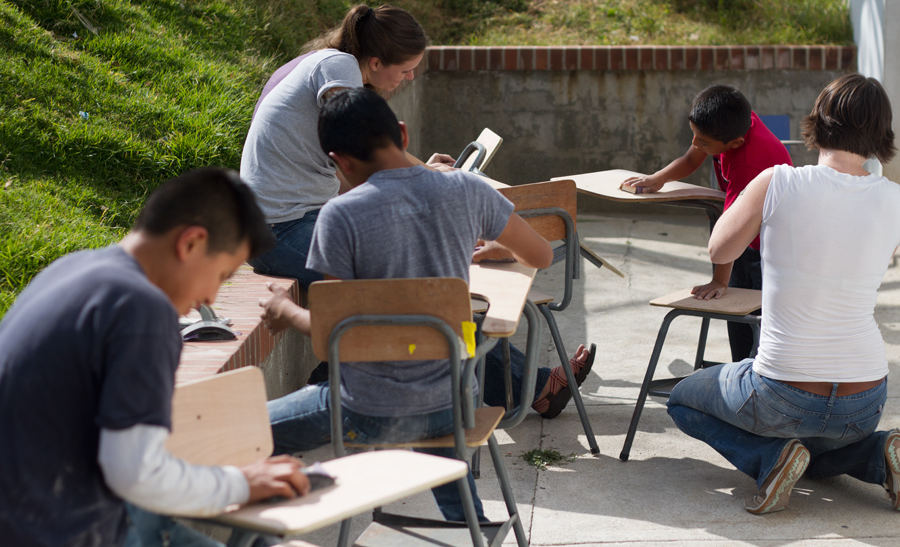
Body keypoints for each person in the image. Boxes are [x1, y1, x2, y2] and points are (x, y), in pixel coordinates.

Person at [258, 88, 593, 522]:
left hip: (369, 409)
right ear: (402, 134)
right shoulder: (467, 189)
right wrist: (498, 247)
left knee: (248, 433)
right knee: (449, 473)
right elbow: (542, 255)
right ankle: (470, 525)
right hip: (455, 399)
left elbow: (334, 331)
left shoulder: (339, 216)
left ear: (339, 162)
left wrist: (286, 311)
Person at [0, 168, 310, 547]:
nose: (211, 297)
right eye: (221, 275)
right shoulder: (142, 309)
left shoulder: (74, 268)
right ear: (191, 243)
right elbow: (135, 472)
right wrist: (241, 484)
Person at [666, 74, 900, 515]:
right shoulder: (894, 199)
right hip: (865, 400)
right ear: (880, 134)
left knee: (682, 398)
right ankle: (876, 452)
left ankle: (770, 458)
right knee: (815, 442)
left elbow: (720, 250)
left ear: (819, 120)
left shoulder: (779, 181)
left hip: (782, 391)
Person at [240, 3, 454, 289]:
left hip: (297, 220)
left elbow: (347, 173)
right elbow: (365, 141)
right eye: (406, 70)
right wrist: (429, 175)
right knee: (399, 275)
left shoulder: (326, 64)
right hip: (278, 231)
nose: (411, 77)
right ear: (375, 63)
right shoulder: (338, 65)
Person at [622, 85, 792, 361]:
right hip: (746, 237)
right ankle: (741, 368)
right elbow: (691, 159)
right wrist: (658, 178)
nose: (695, 143)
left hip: (764, 248)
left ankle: (755, 372)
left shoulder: (747, 163)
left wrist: (719, 281)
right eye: (694, 135)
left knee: (754, 320)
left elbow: (732, 231)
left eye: (703, 141)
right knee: (737, 317)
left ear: (735, 143)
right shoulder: (731, 124)